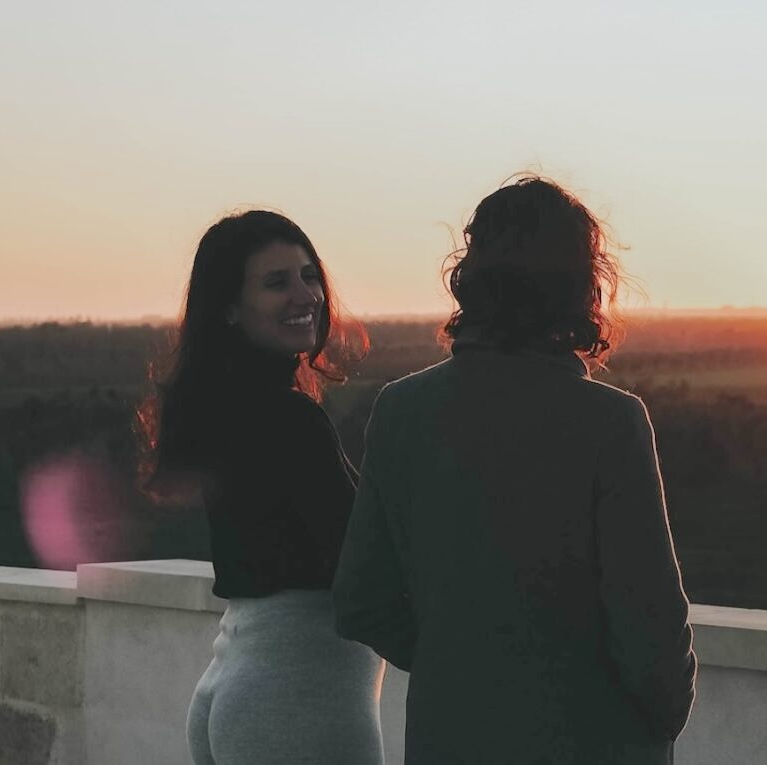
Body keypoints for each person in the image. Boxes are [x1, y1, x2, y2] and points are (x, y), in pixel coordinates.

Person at [333, 177, 697, 763]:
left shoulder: (401, 410)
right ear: (584, 284)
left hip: (450, 739)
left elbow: (361, 599)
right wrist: (658, 718)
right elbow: (650, 628)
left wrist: (462, 668)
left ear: (469, 276)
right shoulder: (611, 422)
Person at [139, 210, 385, 764]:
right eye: (277, 283)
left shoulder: (230, 410)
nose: (306, 295)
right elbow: (360, 562)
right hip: (295, 698)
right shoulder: (288, 418)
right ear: (229, 308)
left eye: (309, 275)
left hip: (246, 682)